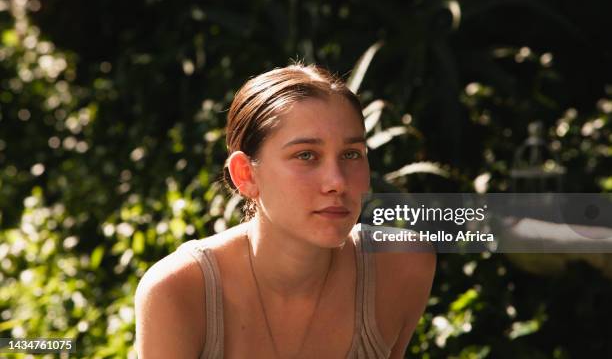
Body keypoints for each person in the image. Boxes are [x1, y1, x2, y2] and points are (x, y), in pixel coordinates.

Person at [135, 64, 436, 358]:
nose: (337, 182)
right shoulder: (179, 292)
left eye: (351, 154)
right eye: (306, 155)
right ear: (246, 175)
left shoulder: (401, 266)